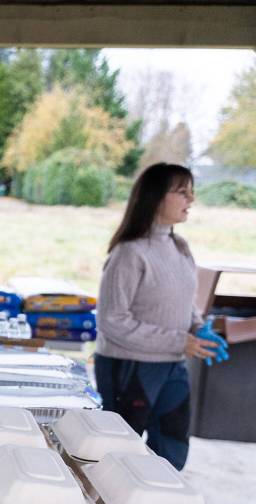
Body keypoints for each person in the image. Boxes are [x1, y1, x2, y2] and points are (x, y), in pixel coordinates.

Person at [94, 162, 226, 471]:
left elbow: (185, 301)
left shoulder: (179, 246)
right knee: (117, 453)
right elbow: (112, 321)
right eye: (182, 192)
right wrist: (180, 340)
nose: (190, 200)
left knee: (172, 450)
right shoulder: (129, 253)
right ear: (154, 197)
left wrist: (198, 327)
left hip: (172, 366)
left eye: (191, 193)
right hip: (129, 367)